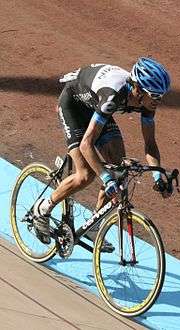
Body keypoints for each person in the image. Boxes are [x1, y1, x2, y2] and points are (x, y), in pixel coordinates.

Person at [33, 57, 172, 245]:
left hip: (95, 107)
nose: (158, 101)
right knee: (86, 174)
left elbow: (150, 143)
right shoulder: (113, 95)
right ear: (138, 89)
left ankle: (94, 226)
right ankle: (43, 209)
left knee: (119, 168)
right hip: (73, 105)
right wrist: (105, 179)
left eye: (161, 96)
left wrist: (157, 176)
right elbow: (86, 144)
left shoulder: (147, 102)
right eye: (155, 95)